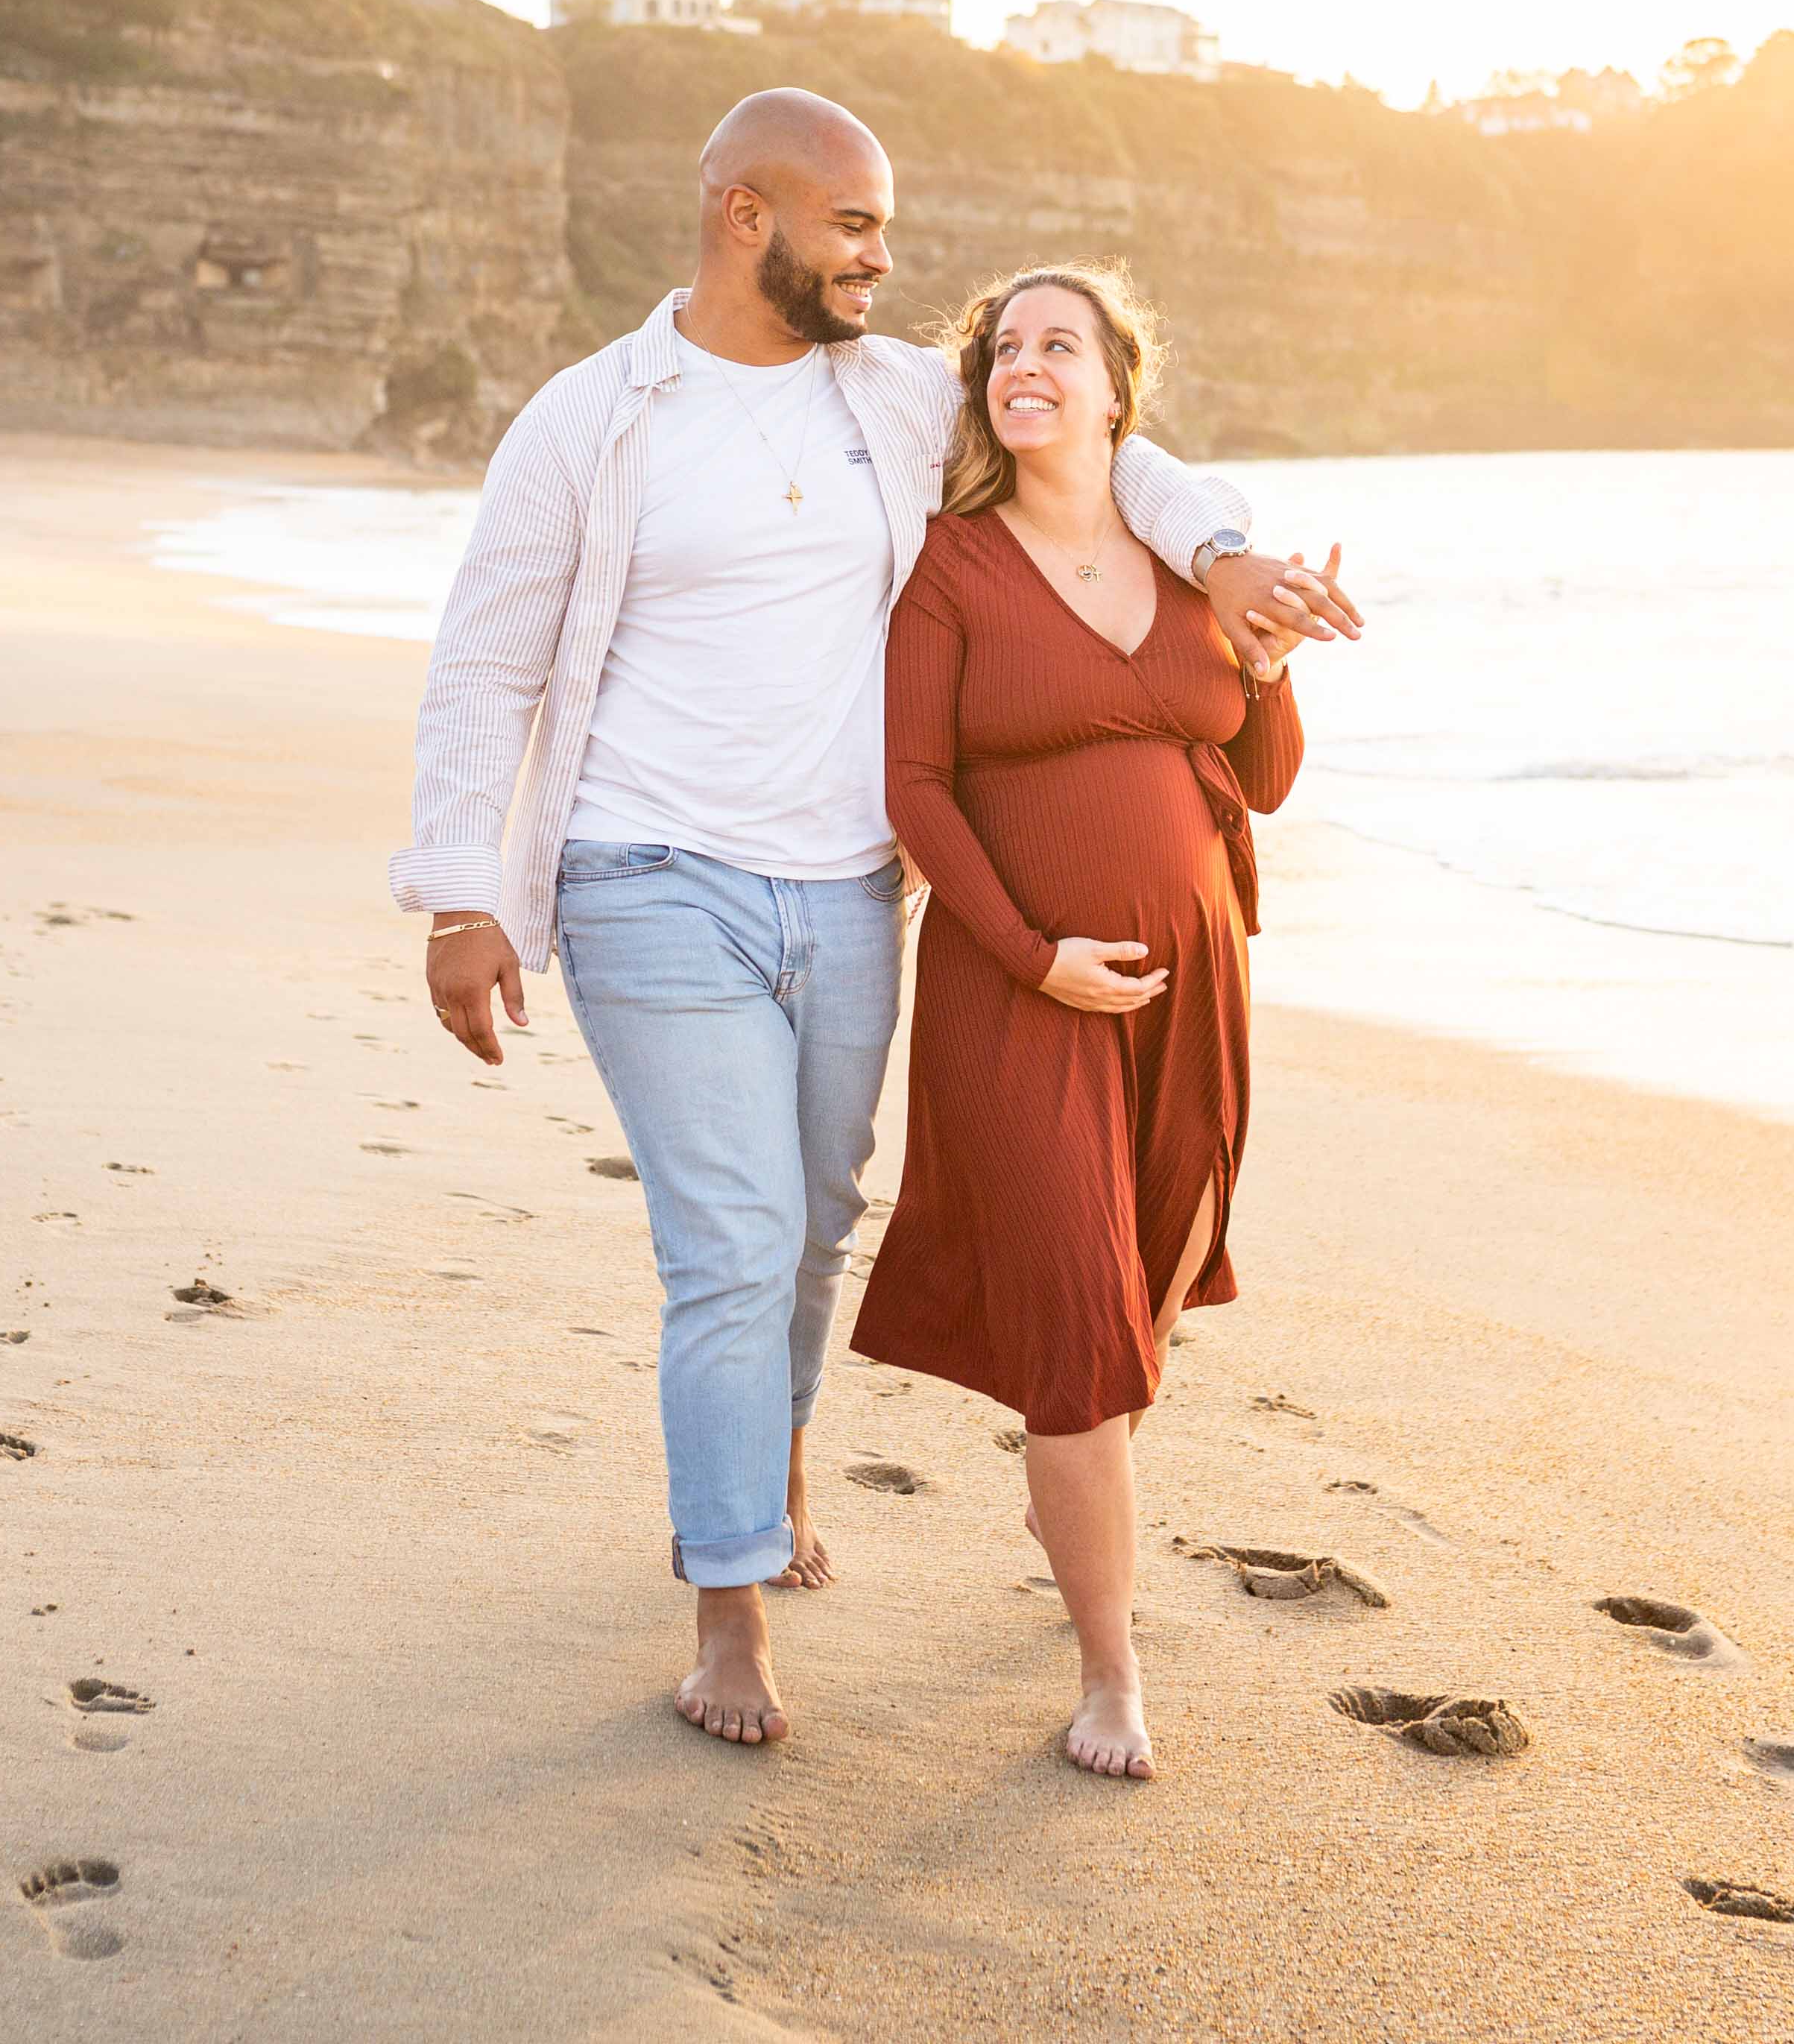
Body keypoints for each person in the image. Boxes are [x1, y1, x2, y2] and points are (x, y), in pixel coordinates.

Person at [396, 90, 1358, 1750]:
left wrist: (1218, 557)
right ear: (746, 216)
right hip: (645, 874)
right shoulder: (592, 419)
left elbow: (1104, 442)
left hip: (846, 889)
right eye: (853, 226)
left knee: (816, 1222)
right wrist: (456, 893)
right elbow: (488, 654)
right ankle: (729, 1608)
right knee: (733, 1241)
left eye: (885, 229)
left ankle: (769, 1469)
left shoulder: (897, 398)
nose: (881, 260)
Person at [850, 263, 1325, 1780]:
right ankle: (1111, 1674)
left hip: (1196, 994)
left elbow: (1261, 779)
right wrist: (1031, 953)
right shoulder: (950, 565)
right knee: (1076, 1323)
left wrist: (1269, 673)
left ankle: (1076, 1493)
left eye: (1061, 345)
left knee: (1149, 1302)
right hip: (1018, 997)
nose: (1026, 365)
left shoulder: (1194, 569)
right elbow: (915, 785)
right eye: (1006, 347)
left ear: (1120, 392)